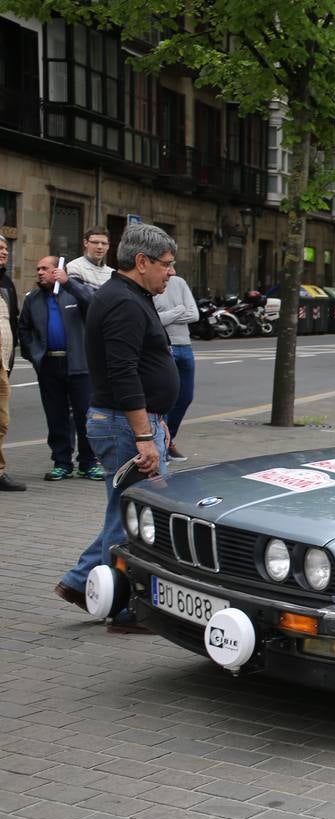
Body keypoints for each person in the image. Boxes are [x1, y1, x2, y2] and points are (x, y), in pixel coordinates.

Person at [56, 223, 180, 632]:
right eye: (165, 264)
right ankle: (125, 608)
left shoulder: (126, 295)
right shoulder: (125, 302)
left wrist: (159, 424)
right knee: (136, 518)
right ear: (141, 262)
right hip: (124, 427)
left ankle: (80, 582)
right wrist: (146, 435)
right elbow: (124, 373)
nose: (171, 272)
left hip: (130, 423)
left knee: (121, 510)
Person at [18, 256, 99, 481]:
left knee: (85, 415)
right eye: (38, 269)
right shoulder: (32, 299)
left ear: (58, 270)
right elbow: (24, 329)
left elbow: (94, 304)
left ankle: (88, 463)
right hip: (49, 365)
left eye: (45, 268)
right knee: (56, 416)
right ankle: (62, 462)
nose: (40, 272)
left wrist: (68, 283)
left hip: (79, 365)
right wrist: (34, 355)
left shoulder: (74, 291)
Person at [155, 274, 199, 461]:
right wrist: (179, 310)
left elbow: (194, 314)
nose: (170, 270)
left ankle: (168, 438)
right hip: (165, 346)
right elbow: (154, 319)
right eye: (166, 264)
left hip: (185, 346)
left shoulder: (180, 282)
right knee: (165, 399)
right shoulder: (152, 283)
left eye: (172, 263)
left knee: (185, 397)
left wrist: (168, 315)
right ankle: (161, 444)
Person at [0, 236, 21, 491]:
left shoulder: (6, 282)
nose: (4, 252)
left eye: (5, 248)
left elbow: (13, 323)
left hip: (3, 363)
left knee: (2, 422)